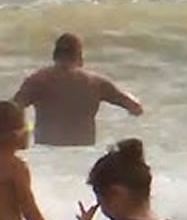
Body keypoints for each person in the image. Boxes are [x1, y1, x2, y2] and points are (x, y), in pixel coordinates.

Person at [12, 33, 144, 147]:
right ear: (79, 56)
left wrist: (23, 132)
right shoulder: (96, 83)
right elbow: (135, 108)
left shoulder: (38, 80)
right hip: (83, 154)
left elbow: (11, 110)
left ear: (54, 55)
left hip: (48, 153)